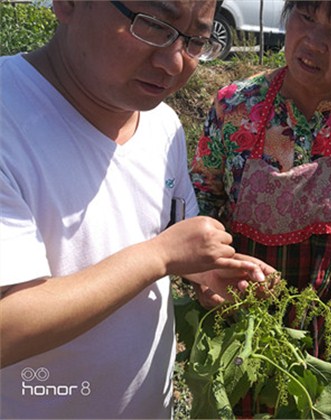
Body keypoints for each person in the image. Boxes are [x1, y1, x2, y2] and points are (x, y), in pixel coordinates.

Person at [0, 1, 274, 418]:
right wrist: (159, 256)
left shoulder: (162, 126)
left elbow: (157, 234)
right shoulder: (8, 117)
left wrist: (205, 270)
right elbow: (7, 328)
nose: (173, 61)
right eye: (153, 25)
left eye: (196, 40)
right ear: (68, 5)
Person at [190, 0, 331, 384]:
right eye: (306, 17)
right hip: (240, 305)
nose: (313, 41)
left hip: (328, 314)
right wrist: (204, 274)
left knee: (310, 398)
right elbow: (202, 202)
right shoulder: (235, 106)